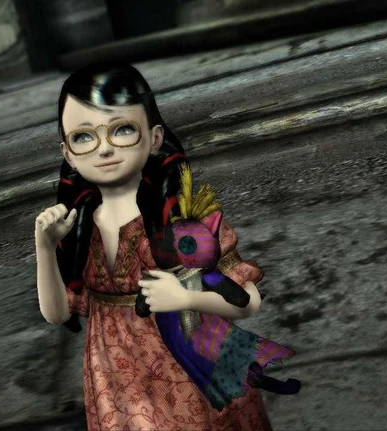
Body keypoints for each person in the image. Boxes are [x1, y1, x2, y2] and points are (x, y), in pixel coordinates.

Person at [35, 62, 275, 430]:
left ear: (155, 137)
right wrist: (45, 248)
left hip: (189, 372)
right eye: (83, 136)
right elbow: (56, 314)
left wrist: (186, 298)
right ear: (67, 153)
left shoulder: (182, 216)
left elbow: (249, 300)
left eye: (122, 130)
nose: (104, 148)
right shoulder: (77, 228)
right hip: (114, 380)